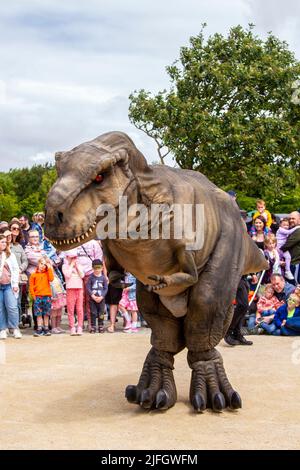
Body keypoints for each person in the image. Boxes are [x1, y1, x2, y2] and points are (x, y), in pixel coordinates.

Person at [76, 240, 106, 330]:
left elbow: (99, 260)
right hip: (77, 274)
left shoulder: (94, 243)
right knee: (80, 300)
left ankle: (91, 323)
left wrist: (98, 274)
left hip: (91, 274)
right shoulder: (74, 242)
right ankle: (80, 323)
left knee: (89, 300)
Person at [224, 275, 258, 346]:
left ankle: (237, 333)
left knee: (244, 307)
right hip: (235, 275)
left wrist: (252, 273)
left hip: (244, 276)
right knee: (242, 305)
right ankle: (228, 331)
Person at [0, 234, 22, 340]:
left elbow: (15, 270)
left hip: (9, 285)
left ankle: (14, 328)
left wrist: (15, 284)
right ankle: (3, 329)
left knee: (12, 307)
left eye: (5, 242)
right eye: (2, 242)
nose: (4, 244)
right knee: (0, 308)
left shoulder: (10, 255)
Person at [29, 256, 54, 336]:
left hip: (47, 296)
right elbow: (31, 286)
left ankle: (46, 328)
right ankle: (39, 328)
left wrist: (49, 267)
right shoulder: (33, 275)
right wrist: (34, 296)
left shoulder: (47, 273)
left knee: (46, 314)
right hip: (38, 297)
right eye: (41, 264)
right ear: (38, 264)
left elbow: (51, 279)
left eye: (44, 264)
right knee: (39, 314)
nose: (43, 265)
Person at [62, 249, 85, 336]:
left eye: (75, 257)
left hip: (79, 289)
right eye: (71, 257)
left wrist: (77, 267)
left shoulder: (79, 266)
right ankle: (72, 327)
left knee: (79, 309)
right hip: (70, 289)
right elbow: (67, 275)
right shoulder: (65, 266)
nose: (73, 259)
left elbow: (82, 275)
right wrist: (71, 265)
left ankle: (79, 327)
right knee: (70, 309)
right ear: (67, 257)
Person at [86, 259, 108, 333]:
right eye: (95, 268)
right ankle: (93, 326)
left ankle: (101, 325)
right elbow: (88, 287)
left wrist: (102, 296)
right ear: (92, 268)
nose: (97, 270)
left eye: (99, 268)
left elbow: (105, 288)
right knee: (93, 312)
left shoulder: (103, 278)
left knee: (101, 313)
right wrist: (92, 296)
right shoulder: (91, 277)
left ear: (102, 268)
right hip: (93, 299)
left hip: (101, 299)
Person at [281, 211, 300, 284]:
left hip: (296, 263)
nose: (291, 220)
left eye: (293, 218)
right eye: (290, 219)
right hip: (290, 264)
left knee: (295, 285)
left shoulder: (298, 230)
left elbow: (287, 244)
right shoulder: (292, 230)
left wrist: (277, 249)